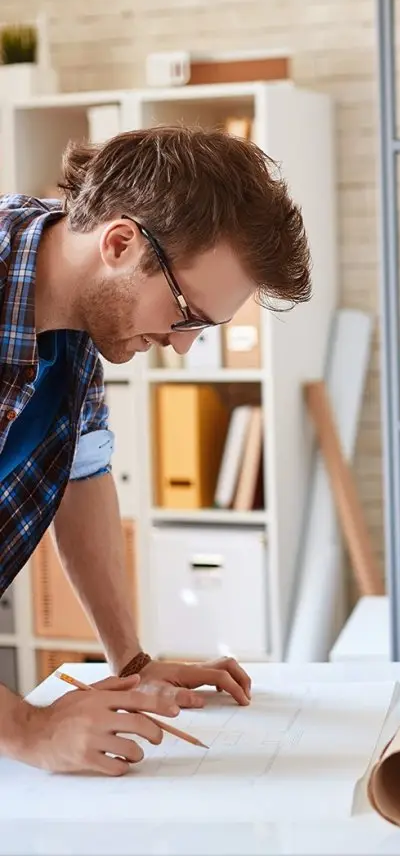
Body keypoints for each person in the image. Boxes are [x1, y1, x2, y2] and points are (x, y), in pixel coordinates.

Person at [0, 125, 312, 776]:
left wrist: (131, 663)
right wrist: (30, 729)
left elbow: (81, 478)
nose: (181, 345)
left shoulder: (77, 305)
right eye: (186, 313)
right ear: (119, 243)